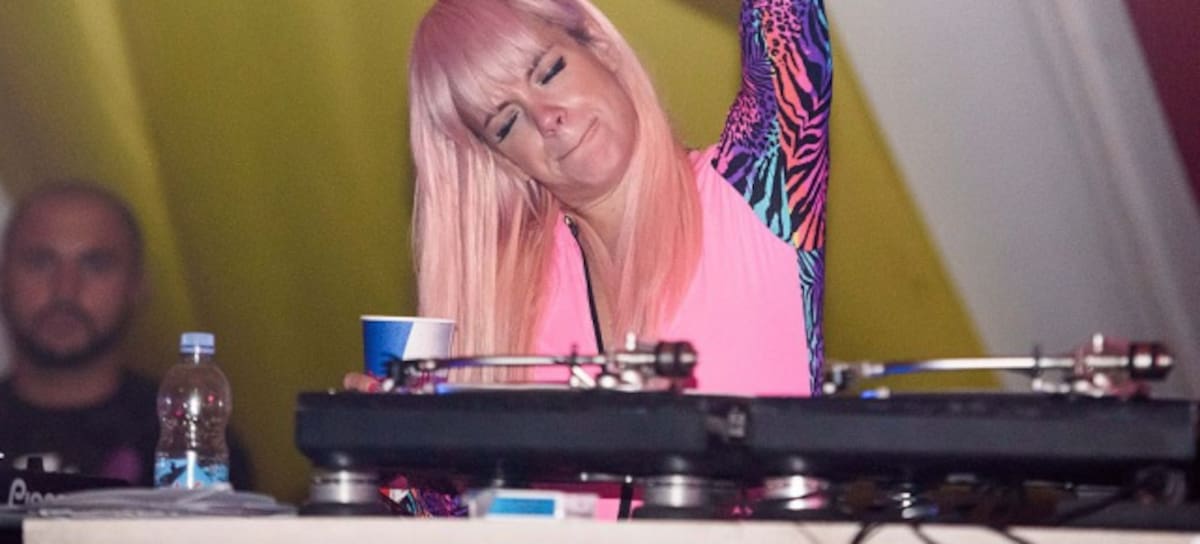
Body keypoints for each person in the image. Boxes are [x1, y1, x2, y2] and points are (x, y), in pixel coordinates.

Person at [349, 0, 830, 395]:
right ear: (502, 162)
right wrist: (394, 450)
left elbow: (788, 21)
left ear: (599, 47)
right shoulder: (510, 300)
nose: (546, 118)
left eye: (549, 71)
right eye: (507, 122)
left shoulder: (755, 185)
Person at [0, 182, 253, 489]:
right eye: (40, 262)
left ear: (138, 285)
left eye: (96, 265)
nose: (65, 289)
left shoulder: (189, 445)